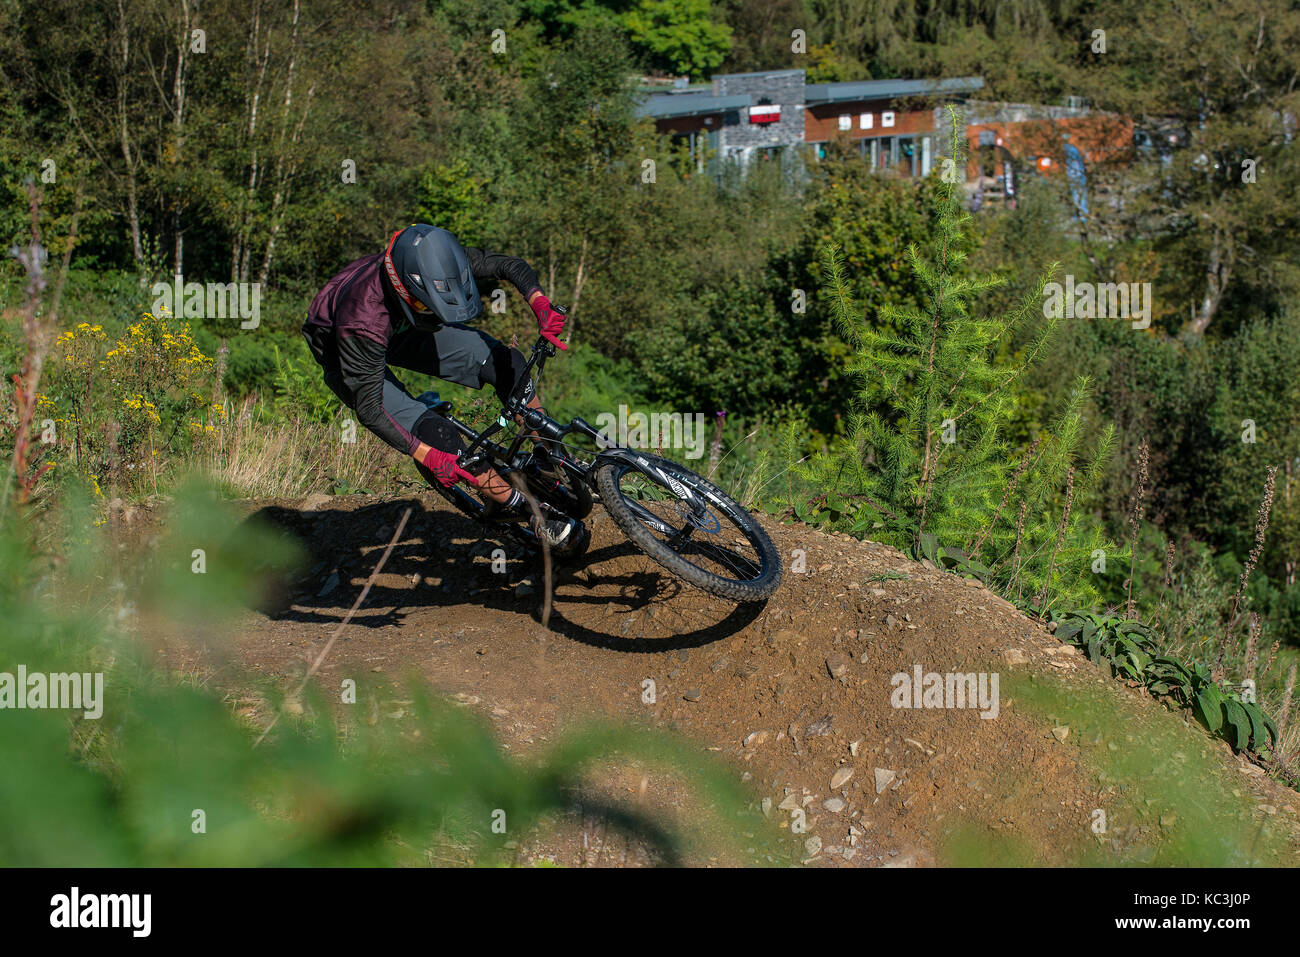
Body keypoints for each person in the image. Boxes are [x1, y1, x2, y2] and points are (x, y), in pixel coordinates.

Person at [302, 223, 578, 546]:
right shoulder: (362, 320)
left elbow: (508, 265)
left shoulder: (434, 262)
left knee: (506, 362)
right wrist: (429, 456)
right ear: (405, 289)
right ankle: (532, 513)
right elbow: (370, 412)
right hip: (348, 350)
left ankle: (552, 457)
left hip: (404, 323)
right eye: (427, 305)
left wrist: (540, 303)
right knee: (440, 439)